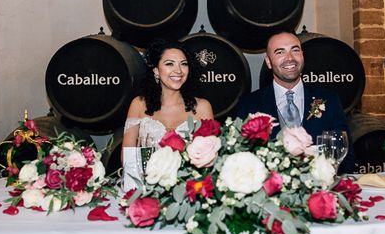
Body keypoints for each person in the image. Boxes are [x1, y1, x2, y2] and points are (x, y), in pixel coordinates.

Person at [234, 32, 355, 174]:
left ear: (302, 56)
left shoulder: (329, 100)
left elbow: (345, 154)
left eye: (295, 50)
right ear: (268, 62)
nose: (290, 58)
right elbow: (240, 157)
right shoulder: (249, 104)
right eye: (280, 52)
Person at [122, 39, 213, 169]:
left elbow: (208, 160)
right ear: (156, 71)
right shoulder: (139, 105)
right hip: (145, 184)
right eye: (170, 64)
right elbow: (127, 158)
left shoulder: (202, 108)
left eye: (184, 64)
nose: (179, 70)